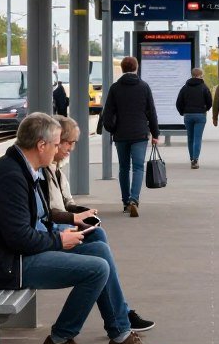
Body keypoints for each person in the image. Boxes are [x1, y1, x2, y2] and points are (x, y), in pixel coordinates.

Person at [0, 113, 161, 344]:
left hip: (12, 256)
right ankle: (60, 340)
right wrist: (58, 240)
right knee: (97, 269)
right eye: (57, 144)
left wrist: (61, 232)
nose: (59, 150)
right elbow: (19, 238)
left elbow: (31, 225)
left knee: (98, 248)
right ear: (41, 145)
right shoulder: (11, 177)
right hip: (4, 265)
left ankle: (120, 334)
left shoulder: (24, 170)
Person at [44, 114, 154, 332]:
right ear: (49, 143)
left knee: (98, 238)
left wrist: (81, 214)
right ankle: (117, 321)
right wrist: (73, 220)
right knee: (98, 260)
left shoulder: (54, 170)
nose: (71, 148)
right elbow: (48, 212)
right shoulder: (40, 172)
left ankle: (120, 316)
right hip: (47, 241)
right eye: (67, 143)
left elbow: (64, 205)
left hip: (54, 233)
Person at [100, 56, 159, 217]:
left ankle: (126, 202)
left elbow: (108, 113)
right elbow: (151, 111)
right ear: (136, 68)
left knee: (124, 168)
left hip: (121, 134)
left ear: (122, 68)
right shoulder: (144, 87)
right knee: (139, 167)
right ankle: (134, 199)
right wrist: (155, 133)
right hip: (140, 133)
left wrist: (112, 128)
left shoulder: (115, 88)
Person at [175, 67, 213, 169]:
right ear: (200, 75)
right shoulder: (204, 87)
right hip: (200, 115)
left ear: (192, 75)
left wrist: (182, 112)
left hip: (188, 115)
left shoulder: (185, 87)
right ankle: (195, 160)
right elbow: (210, 101)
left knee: (190, 137)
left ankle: (192, 158)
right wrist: (205, 109)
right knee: (197, 138)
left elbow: (178, 102)